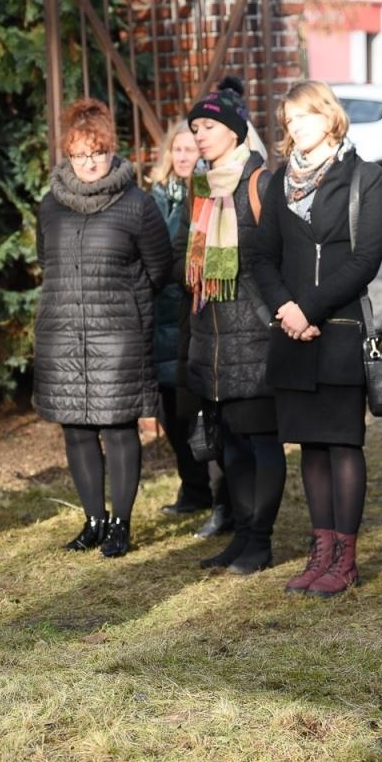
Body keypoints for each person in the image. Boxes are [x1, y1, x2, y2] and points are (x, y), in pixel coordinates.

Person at [249, 81, 382, 596]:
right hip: (290, 331)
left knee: (342, 442)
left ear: (329, 117)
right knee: (309, 444)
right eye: (288, 121)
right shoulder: (279, 181)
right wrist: (287, 309)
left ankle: (345, 560)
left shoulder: (365, 179)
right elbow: (260, 255)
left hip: (339, 328)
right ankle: (320, 553)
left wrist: (309, 308)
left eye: (303, 117)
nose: (295, 128)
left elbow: (364, 260)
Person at [34, 97, 171, 558]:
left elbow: (159, 269)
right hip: (63, 334)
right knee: (75, 428)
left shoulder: (136, 205)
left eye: (98, 152)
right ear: (67, 155)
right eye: (80, 153)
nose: (90, 162)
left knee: (117, 427)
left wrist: (125, 308)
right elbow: (46, 264)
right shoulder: (50, 207)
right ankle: (92, 520)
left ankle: (121, 523)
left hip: (118, 337)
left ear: (112, 151)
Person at [179, 83, 286, 575]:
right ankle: (240, 536)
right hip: (213, 337)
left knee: (261, 441)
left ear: (236, 131)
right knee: (233, 447)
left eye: (209, 127)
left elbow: (277, 259)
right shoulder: (201, 187)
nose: (200, 136)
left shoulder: (260, 182)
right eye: (195, 128)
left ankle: (260, 541)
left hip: (256, 335)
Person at [149, 121, 226, 523]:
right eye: (176, 150)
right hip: (159, 317)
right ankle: (191, 486)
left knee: (193, 411)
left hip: (191, 315)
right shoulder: (156, 197)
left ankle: (214, 491)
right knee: (169, 412)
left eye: (189, 149)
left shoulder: (206, 194)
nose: (182, 157)